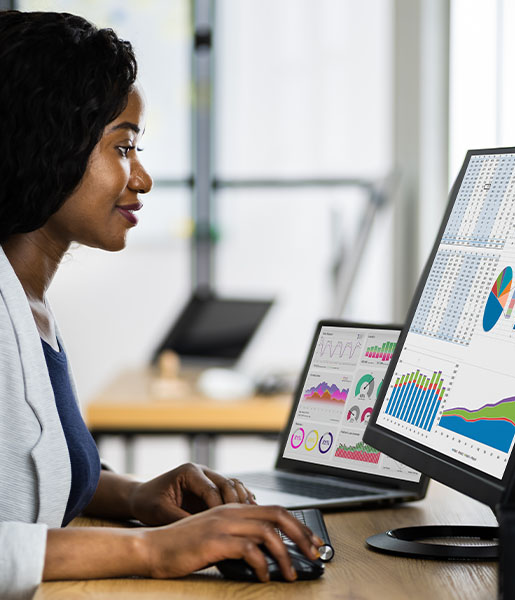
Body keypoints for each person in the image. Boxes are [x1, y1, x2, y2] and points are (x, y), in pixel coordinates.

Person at [0, 10, 322, 599]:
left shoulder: (25, 300)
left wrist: (135, 495)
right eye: (123, 147)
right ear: (48, 141)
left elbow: (23, 472)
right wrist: (151, 550)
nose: (141, 178)